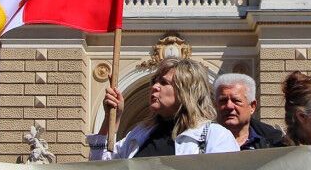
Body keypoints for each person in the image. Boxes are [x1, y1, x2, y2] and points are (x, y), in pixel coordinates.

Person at [88, 57, 239, 159]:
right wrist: (111, 118)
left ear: (186, 91)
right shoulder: (139, 135)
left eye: (164, 83)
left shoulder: (215, 136)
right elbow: (101, 168)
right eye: (154, 82)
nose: (154, 87)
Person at [213, 73, 285, 149]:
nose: (229, 106)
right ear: (215, 105)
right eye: (223, 100)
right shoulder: (202, 143)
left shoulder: (273, 144)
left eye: (236, 100)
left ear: (252, 107)